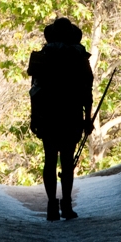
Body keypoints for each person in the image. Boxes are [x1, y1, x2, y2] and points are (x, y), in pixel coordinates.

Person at [27, 17, 94, 220]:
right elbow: (86, 90)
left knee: (49, 159)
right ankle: (66, 205)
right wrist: (88, 119)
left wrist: (35, 117)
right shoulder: (79, 56)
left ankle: (51, 208)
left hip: (48, 115)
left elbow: (35, 90)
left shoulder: (44, 55)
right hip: (71, 114)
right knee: (67, 161)